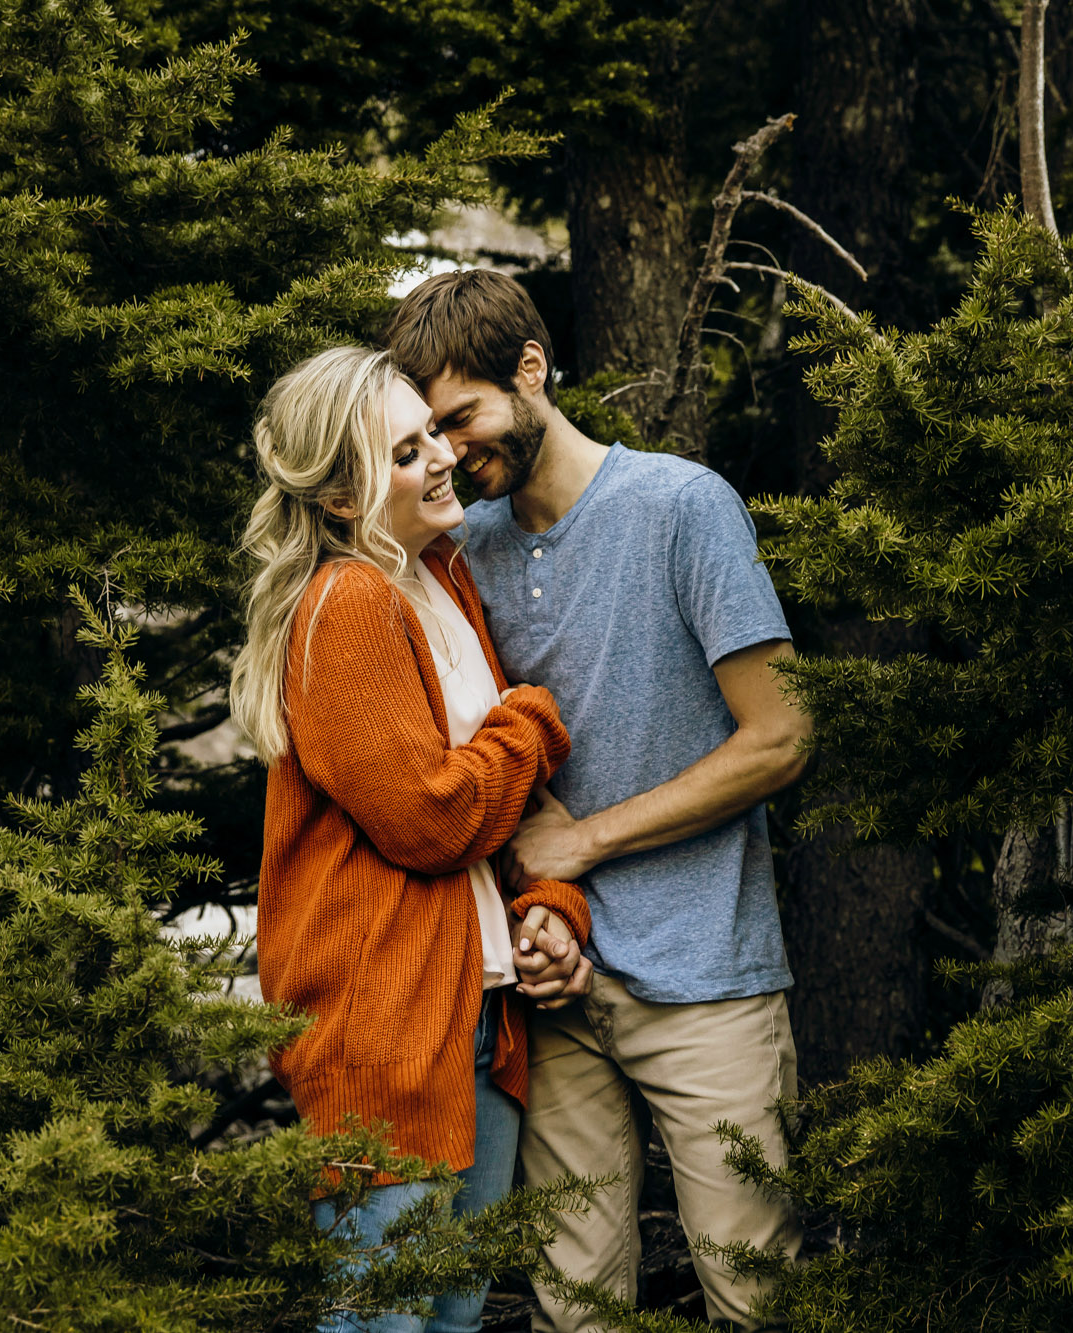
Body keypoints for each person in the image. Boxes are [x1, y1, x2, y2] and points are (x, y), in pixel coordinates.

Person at [383, 271, 813, 1332]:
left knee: (753, 1296)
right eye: (424, 434)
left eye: (459, 418)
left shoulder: (681, 507)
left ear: (529, 371)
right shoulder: (460, 553)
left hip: (708, 977)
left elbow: (783, 734)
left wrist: (585, 844)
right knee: (574, 1312)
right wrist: (537, 908)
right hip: (555, 994)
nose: (446, 452)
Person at [230, 345, 593, 1333]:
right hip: (384, 1038)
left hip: (475, 1018)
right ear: (345, 497)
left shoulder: (439, 585)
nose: (438, 456)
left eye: (431, 432)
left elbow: (500, 814)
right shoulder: (349, 604)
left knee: (449, 1315)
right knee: (384, 1321)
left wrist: (548, 909)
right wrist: (532, 720)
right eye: (401, 452)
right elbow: (431, 817)